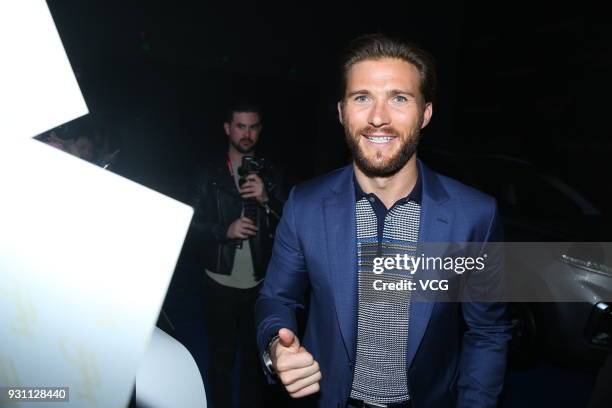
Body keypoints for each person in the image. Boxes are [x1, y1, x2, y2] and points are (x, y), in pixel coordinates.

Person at [255, 34, 512, 408]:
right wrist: (276, 346)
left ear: (425, 114)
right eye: (362, 98)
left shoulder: (474, 216)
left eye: (399, 98)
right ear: (342, 111)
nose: (378, 117)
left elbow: (488, 331)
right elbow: (276, 298)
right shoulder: (305, 205)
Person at [190, 101, 286, 407]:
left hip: (258, 286)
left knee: (252, 362)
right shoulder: (209, 172)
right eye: (241, 126)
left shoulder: (271, 174)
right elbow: (188, 223)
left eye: (253, 126)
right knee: (221, 360)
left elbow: (292, 229)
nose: (247, 134)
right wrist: (224, 230)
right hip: (217, 282)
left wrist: (267, 198)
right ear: (228, 129)